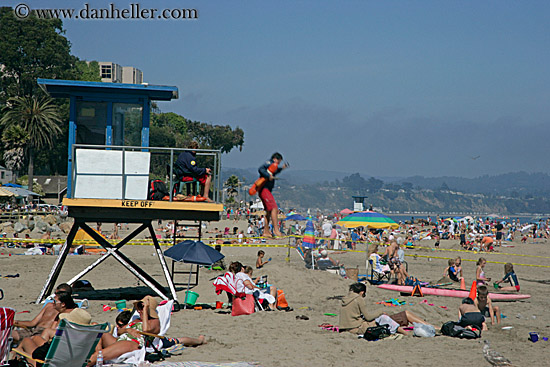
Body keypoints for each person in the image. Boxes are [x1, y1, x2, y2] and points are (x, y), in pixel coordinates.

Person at [339, 283, 429, 336]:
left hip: (346, 328)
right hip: (358, 328)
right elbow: (368, 317)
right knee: (389, 317)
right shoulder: (358, 299)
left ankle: (409, 331)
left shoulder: (345, 299)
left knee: (393, 317)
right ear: (362, 292)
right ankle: (407, 333)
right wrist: (380, 312)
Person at [256, 152, 288, 237]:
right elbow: (261, 169)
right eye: (279, 162)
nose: (278, 164)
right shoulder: (269, 163)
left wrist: (281, 169)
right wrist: (267, 175)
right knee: (274, 208)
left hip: (266, 190)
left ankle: (266, 232)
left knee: (269, 212)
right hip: (264, 189)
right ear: (275, 159)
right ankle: (276, 230)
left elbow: (273, 172)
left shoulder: (272, 166)